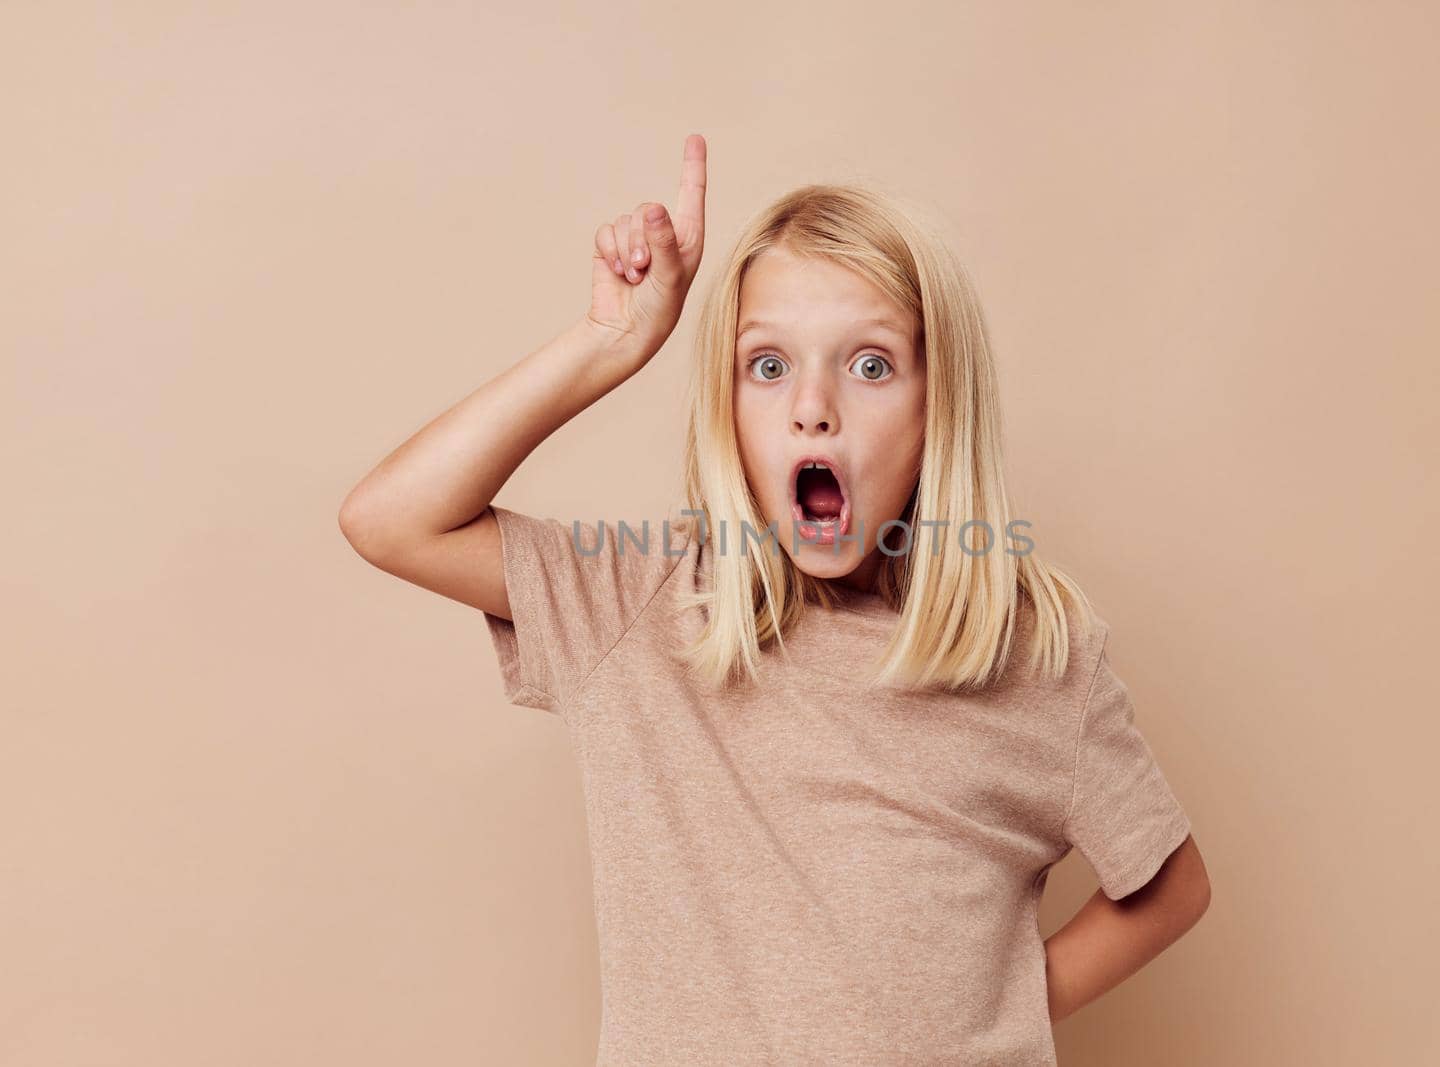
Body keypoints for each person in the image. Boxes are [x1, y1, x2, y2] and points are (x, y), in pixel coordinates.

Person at [339, 132, 1211, 1065]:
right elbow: (392, 519)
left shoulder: (1039, 654)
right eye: (768, 365)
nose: (812, 407)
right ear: (731, 407)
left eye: (870, 365)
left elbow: (1172, 888)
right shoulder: (644, 604)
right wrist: (611, 341)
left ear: (939, 405)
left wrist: (992, 1011)